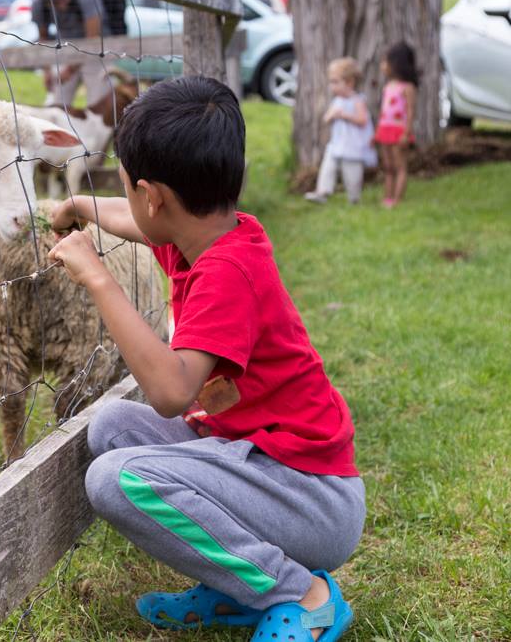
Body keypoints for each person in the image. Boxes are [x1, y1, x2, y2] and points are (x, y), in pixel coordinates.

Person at [47, 77, 364, 642]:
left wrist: (99, 278)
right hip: (262, 464)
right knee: (115, 426)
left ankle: (300, 593)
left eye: (127, 187)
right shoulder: (211, 236)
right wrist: (81, 207)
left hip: (312, 497)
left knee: (117, 479)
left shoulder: (226, 275)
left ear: (155, 197)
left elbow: (171, 393)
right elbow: (132, 217)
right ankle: (236, 589)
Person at [30, 0, 118, 107]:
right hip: (65, 48)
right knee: (57, 102)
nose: (61, 6)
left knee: (99, 103)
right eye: (53, 3)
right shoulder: (38, 3)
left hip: (96, 50)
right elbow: (43, 38)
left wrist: (71, 70)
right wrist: (47, 70)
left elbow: (92, 39)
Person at [305, 57, 375, 205]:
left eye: (336, 82)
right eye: (331, 82)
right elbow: (326, 118)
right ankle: (322, 191)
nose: (332, 86)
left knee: (352, 175)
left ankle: (354, 198)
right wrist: (331, 115)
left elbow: (363, 120)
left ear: (349, 82)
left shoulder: (357, 101)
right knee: (328, 167)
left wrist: (345, 115)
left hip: (353, 147)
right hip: (337, 144)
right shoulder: (337, 101)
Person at [373, 42, 418, 208]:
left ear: (397, 63)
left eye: (385, 62)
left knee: (400, 166)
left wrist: (406, 133)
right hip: (385, 130)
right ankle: (388, 197)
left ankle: (397, 199)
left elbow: (411, 112)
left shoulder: (408, 88)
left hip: (399, 131)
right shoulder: (388, 87)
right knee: (388, 166)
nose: (382, 66)